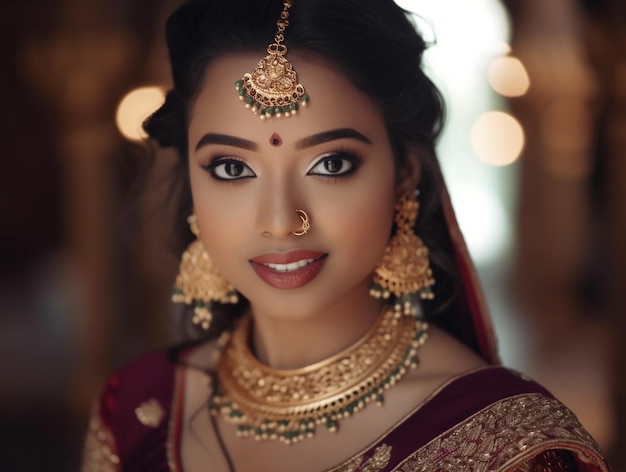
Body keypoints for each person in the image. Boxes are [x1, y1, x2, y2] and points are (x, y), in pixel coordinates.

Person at [80, 0, 612, 470]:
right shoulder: (137, 412)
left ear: (404, 173)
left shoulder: (504, 445)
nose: (282, 221)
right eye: (231, 169)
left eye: (331, 163)